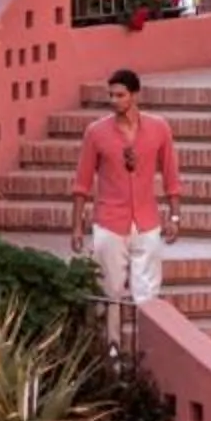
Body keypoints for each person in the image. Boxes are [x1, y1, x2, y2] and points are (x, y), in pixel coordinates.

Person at [71, 68, 182, 321]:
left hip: (147, 221)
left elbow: (170, 176)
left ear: (135, 95)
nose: (114, 101)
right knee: (109, 292)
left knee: (148, 294)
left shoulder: (158, 128)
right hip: (109, 222)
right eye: (111, 95)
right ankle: (111, 350)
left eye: (120, 95)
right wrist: (77, 227)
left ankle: (147, 351)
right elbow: (82, 183)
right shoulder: (96, 132)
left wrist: (174, 218)